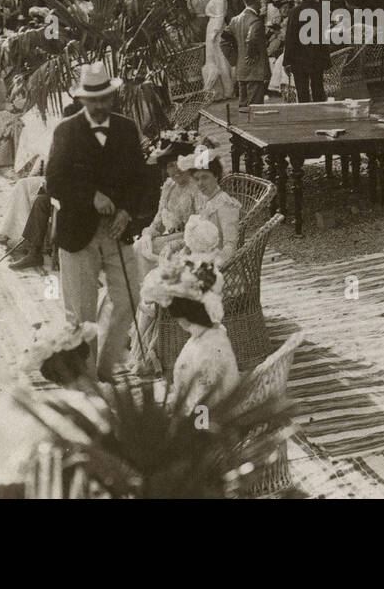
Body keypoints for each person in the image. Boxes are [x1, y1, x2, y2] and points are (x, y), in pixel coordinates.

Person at [45, 62, 152, 381]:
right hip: (77, 232)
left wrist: (125, 211)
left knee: (129, 296)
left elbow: (140, 181)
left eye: (106, 98)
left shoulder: (126, 128)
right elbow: (54, 182)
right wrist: (91, 196)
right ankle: (86, 380)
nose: (101, 105)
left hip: (117, 232)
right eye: (94, 100)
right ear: (82, 101)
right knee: (81, 313)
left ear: (112, 96)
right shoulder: (66, 131)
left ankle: (104, 368)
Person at [140, 253, 239, 416]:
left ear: (181, 315)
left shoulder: (207, 350)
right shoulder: (211, 335)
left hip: (208, 426)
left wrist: (194, 435)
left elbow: (205, 404)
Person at [283, 0, 329, 102]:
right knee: (318, 88)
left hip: (300, 58)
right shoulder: (321, 8)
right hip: (318, 55)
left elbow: (290, 39)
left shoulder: (294, 12)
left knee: (302, 91)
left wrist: (286, 61)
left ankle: (306, 116)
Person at [223, 0, 267, 107]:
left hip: (241, 68)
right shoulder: (255, 21)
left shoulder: (234, 20)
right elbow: (251, 38)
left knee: (243, 104)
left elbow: (224, 39)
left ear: (244, 1)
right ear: (257, 0)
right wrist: (251, 54)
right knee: (255, 106)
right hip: (255, 68)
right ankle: (254, 126)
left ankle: (243, 125)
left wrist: (235, 56)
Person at [200, 0, 234, 102]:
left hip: (217, 30)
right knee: (213, 59)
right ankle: (216, 90)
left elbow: (220, 15)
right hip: (212, 28)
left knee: (220, 59)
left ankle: (227, 89)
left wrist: (214, 33)